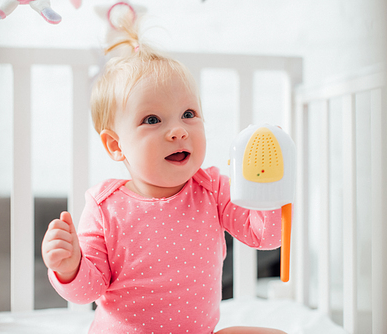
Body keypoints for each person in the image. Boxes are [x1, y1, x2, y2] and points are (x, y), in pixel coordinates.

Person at [41, 13, 287, 334]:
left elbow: (265, 237)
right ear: (116, 145)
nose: (178, 131)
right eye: (153, 120)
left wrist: (265, 185)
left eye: (188, 114)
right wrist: (70, 267)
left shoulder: (211, 188)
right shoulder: (104, 207)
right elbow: (89, 289)